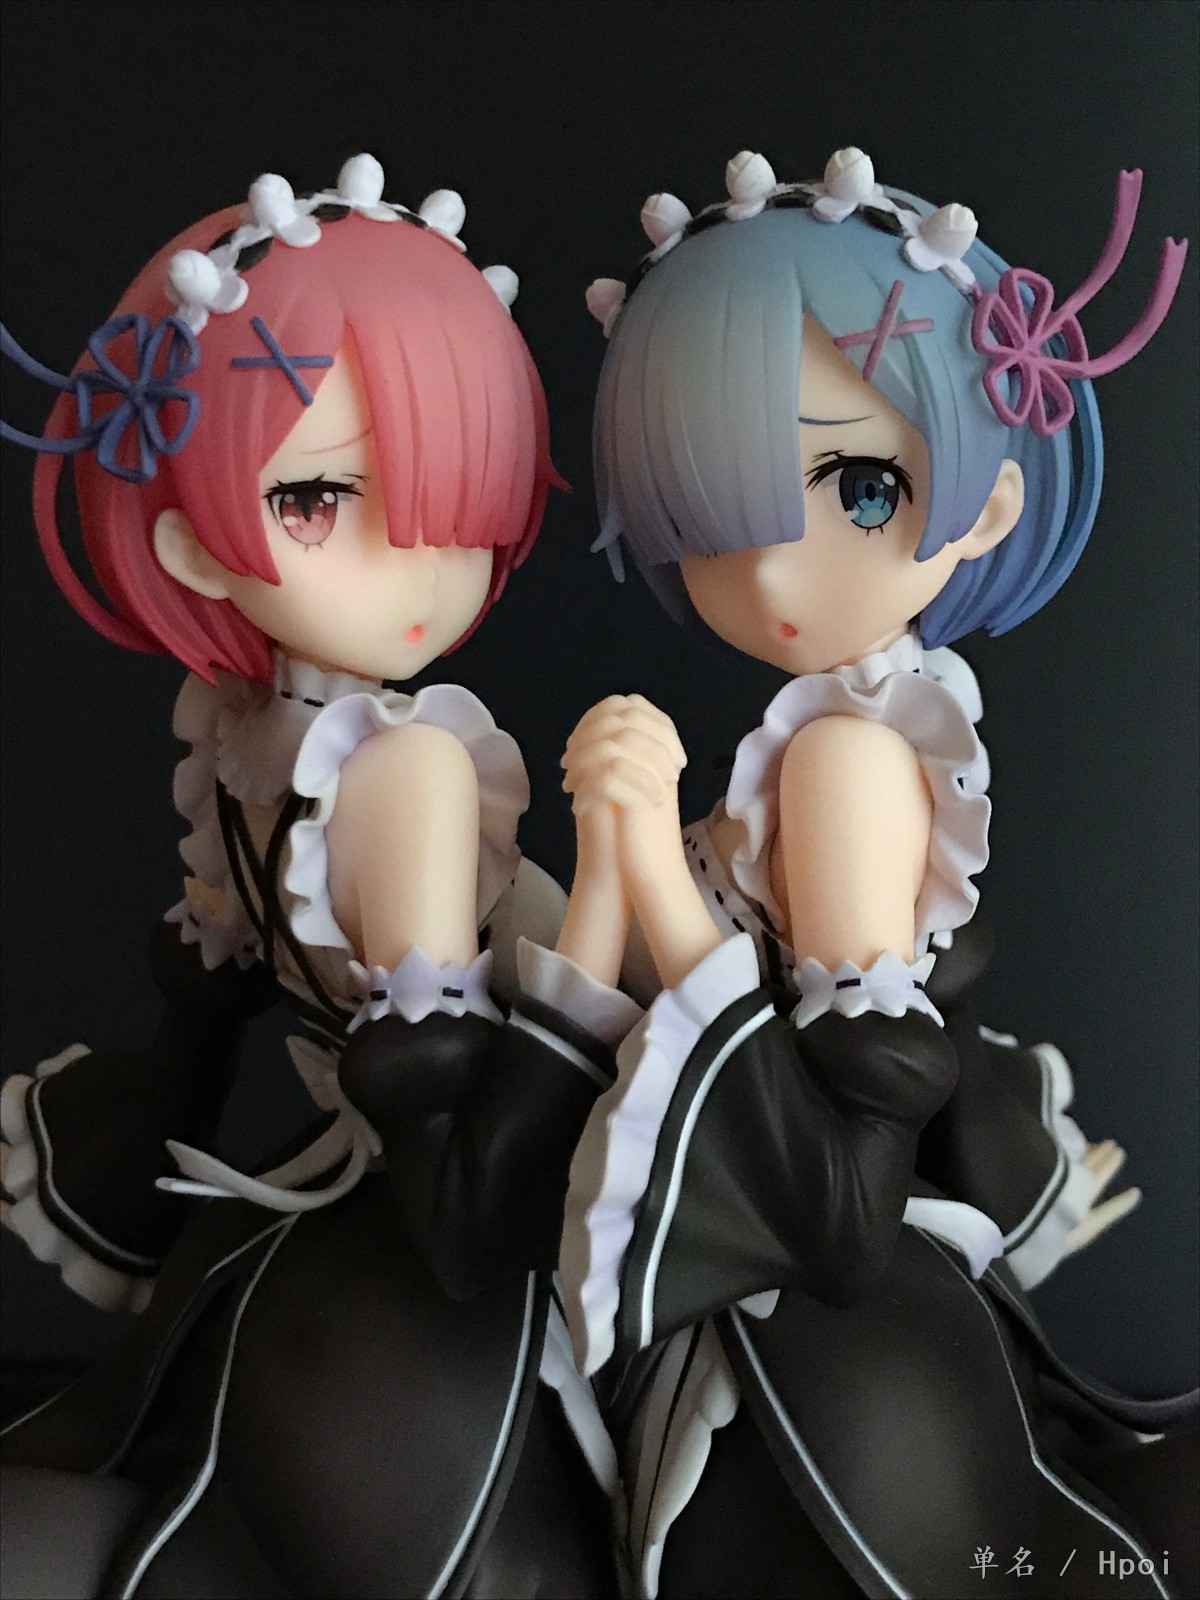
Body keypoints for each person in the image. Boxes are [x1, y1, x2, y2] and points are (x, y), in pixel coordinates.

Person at [542, 148, 1196, 1597]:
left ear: (985, 506)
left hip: (807, 1289)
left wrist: (648, 859)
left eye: (856, 484)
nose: (773, 572)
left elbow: (846, 1171)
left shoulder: (845, 756)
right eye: (717, 508)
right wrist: (611, 860)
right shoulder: (841, 732)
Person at [0, 155, 620, 1598]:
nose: (417, 558)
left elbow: (250, 974)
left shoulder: (239, 736)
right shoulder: (402, 767)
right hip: (470, 1192)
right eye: (326, 495)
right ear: (188, 539)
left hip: (352, 1171)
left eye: (454, 495)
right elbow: (458, 1117)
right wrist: (620, 872)